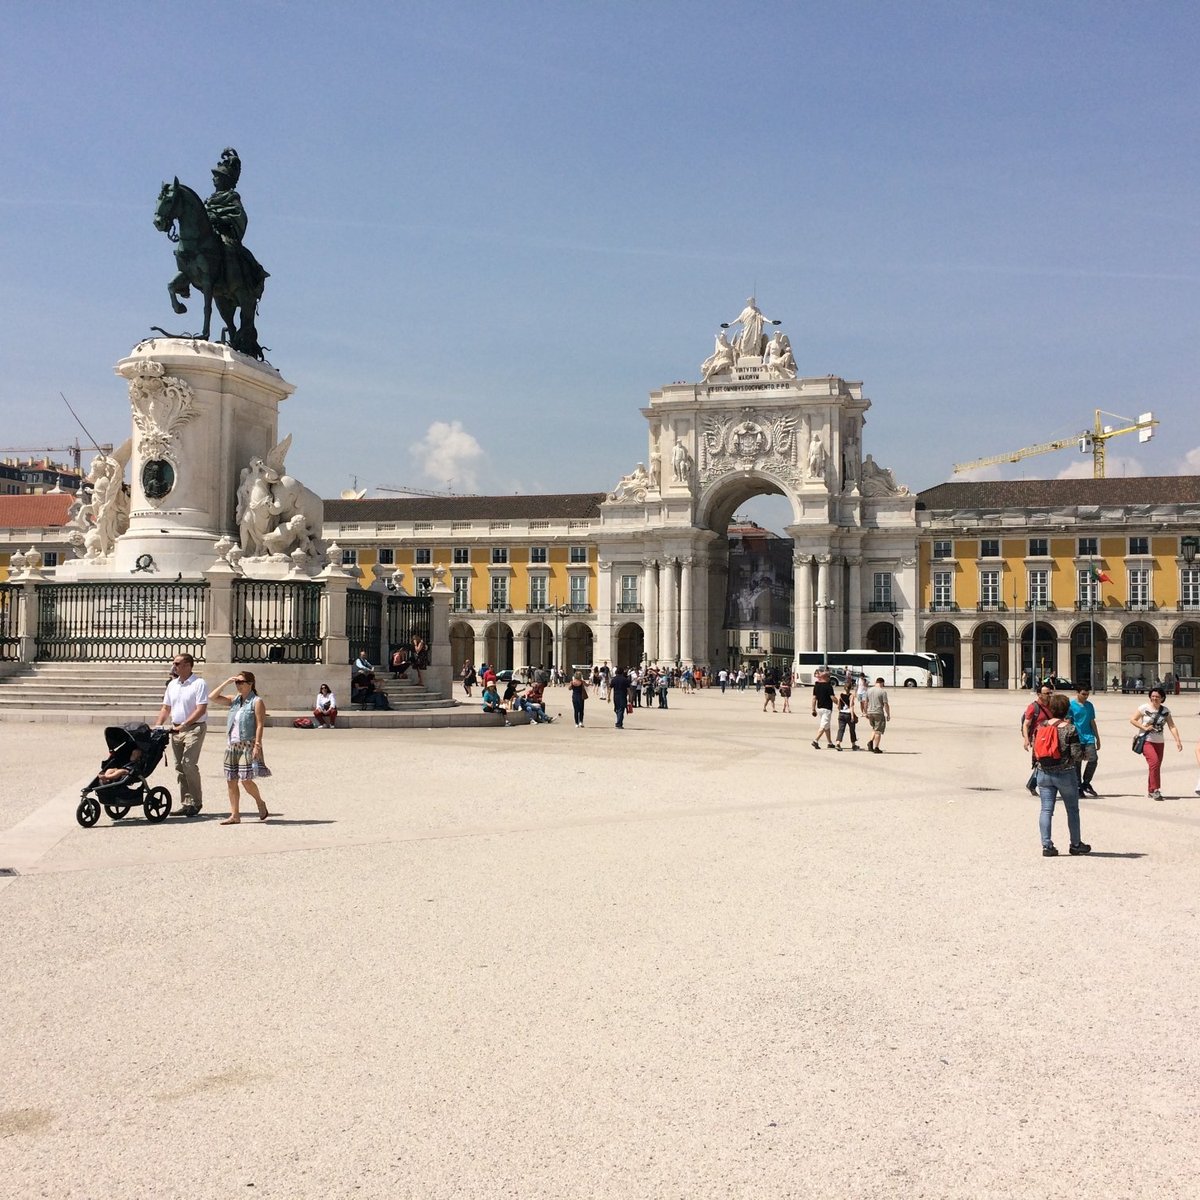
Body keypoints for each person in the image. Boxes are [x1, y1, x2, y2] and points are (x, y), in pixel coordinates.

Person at [209, 671, 271, 824]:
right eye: (237, 682)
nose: (238, 684)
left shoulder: (257, 701)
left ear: (250, 684)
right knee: (231, 780)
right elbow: (212, 697)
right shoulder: (234, 700)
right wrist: (226, 682)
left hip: (248, 745)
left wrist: (258, 744)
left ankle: (259, 802)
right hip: (232, 745)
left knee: (246, 780)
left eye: (241, 682)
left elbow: (260, 724)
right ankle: (235, 815)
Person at [154, 653, 208, 818]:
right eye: (174, 663)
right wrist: (158, 724)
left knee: (188, 764)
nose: (174, 666)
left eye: (177, 663)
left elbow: (201, 709)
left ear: (188, 665)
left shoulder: (199, 684)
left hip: (194, 728)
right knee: (179, 766)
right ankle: (186, 803)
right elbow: (166, 707)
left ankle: (196, 802)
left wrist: (185, 724)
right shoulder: (172, 684)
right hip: (175, 728)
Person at [1035, 692, 1089, 857]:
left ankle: (1047, 845)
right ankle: (1075, 844)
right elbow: (1076, 754)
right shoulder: (1069, 728)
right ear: (1066, 710)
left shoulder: (1042, 726)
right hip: (1065, 773)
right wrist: (1084, 754)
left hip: (1043, 772)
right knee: (1072, 810)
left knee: (1046, 809)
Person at [1130, 685, 1182, 801]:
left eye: (1157, 697)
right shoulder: (1144, 708)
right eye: (1152, 696)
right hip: (1146, 740)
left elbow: (1171, 726)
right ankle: (1155, 789)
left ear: (1162, 698)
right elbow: (1132, 719)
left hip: (1159, 742)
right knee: (1154, 763)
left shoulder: (1165, 711)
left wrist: (1177, 740)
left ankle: (1150, 790)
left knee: (1155, 766)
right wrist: (1143, 727)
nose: (1154, 698)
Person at [1021, 684, 1055, 795]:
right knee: (1041, 761)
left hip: (1051, 737)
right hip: (1038, 739)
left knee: (1048, 761)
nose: (1049, 695)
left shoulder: (1052, 705)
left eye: (1050, 693)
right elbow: (1026, 725)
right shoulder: (1033, 707)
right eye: (1046, 693)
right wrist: (1026, 739)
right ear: (1039, 694)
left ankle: (1032, 784)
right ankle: (1035, 784)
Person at [1069, 684, 1101, 797]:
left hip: (1089, 737)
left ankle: (1086, 783)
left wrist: (1097, 738)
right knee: (1077, 763)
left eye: (1087, 694)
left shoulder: (1089, 705)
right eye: (1083, 694)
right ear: (1077, 693)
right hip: (1076, 737)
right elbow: (1068, 722)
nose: (1086, 696)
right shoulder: (1071, 705)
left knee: (1093, 759)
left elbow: (1092, 721)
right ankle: (1078, 787)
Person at [865, 677, 891, 753]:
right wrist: (888, 714)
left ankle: (870, 742)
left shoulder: (869, 690)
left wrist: (865, 712)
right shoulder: (882, 692)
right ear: (882, 683)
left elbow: (866, 702)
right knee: (878, 731)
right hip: (878, 712)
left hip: (870, 712)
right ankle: (876, 747)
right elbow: (886, 704)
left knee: (874, 728)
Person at [811, 667, 835, 749]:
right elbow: (832, 698)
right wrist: (839, 703)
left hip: (819, 708)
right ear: (826, 677)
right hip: (827, 709)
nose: (829, 678)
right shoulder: (829, 686)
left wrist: (813, 709)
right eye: (828, 677)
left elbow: (814, 698)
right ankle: (815, 740)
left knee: (827, 726)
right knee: (823, 725)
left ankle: (830, 742)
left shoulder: (816, 686)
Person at [835, 680, 859, 751]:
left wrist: (840, 711)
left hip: (841, 714)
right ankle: (853, 745)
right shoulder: (851, 696)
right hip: (848, 714)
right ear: (850, 688)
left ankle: (838, 743)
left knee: (841, 729)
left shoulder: (841, 695)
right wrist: (852, 716)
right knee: (852, 730)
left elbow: (838, 706)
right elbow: (851, 706)